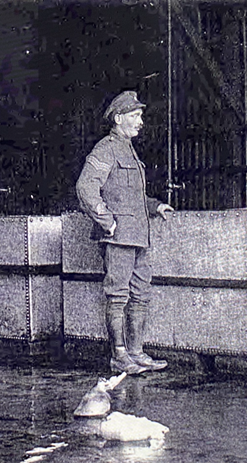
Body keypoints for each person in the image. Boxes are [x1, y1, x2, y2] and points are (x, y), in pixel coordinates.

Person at [76, 91, 174, 375]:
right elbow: (86, 188)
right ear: (119, 119)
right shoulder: (106, 149)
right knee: (118, 296)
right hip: (119, 237)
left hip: (139, 236)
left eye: (140, 116)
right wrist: (107, 221)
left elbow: (128, 196)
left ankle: (136, 352)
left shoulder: (128, 149)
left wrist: (155, 206)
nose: (141, 121)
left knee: (141, 294)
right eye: (135, 116)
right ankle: (119, 355)